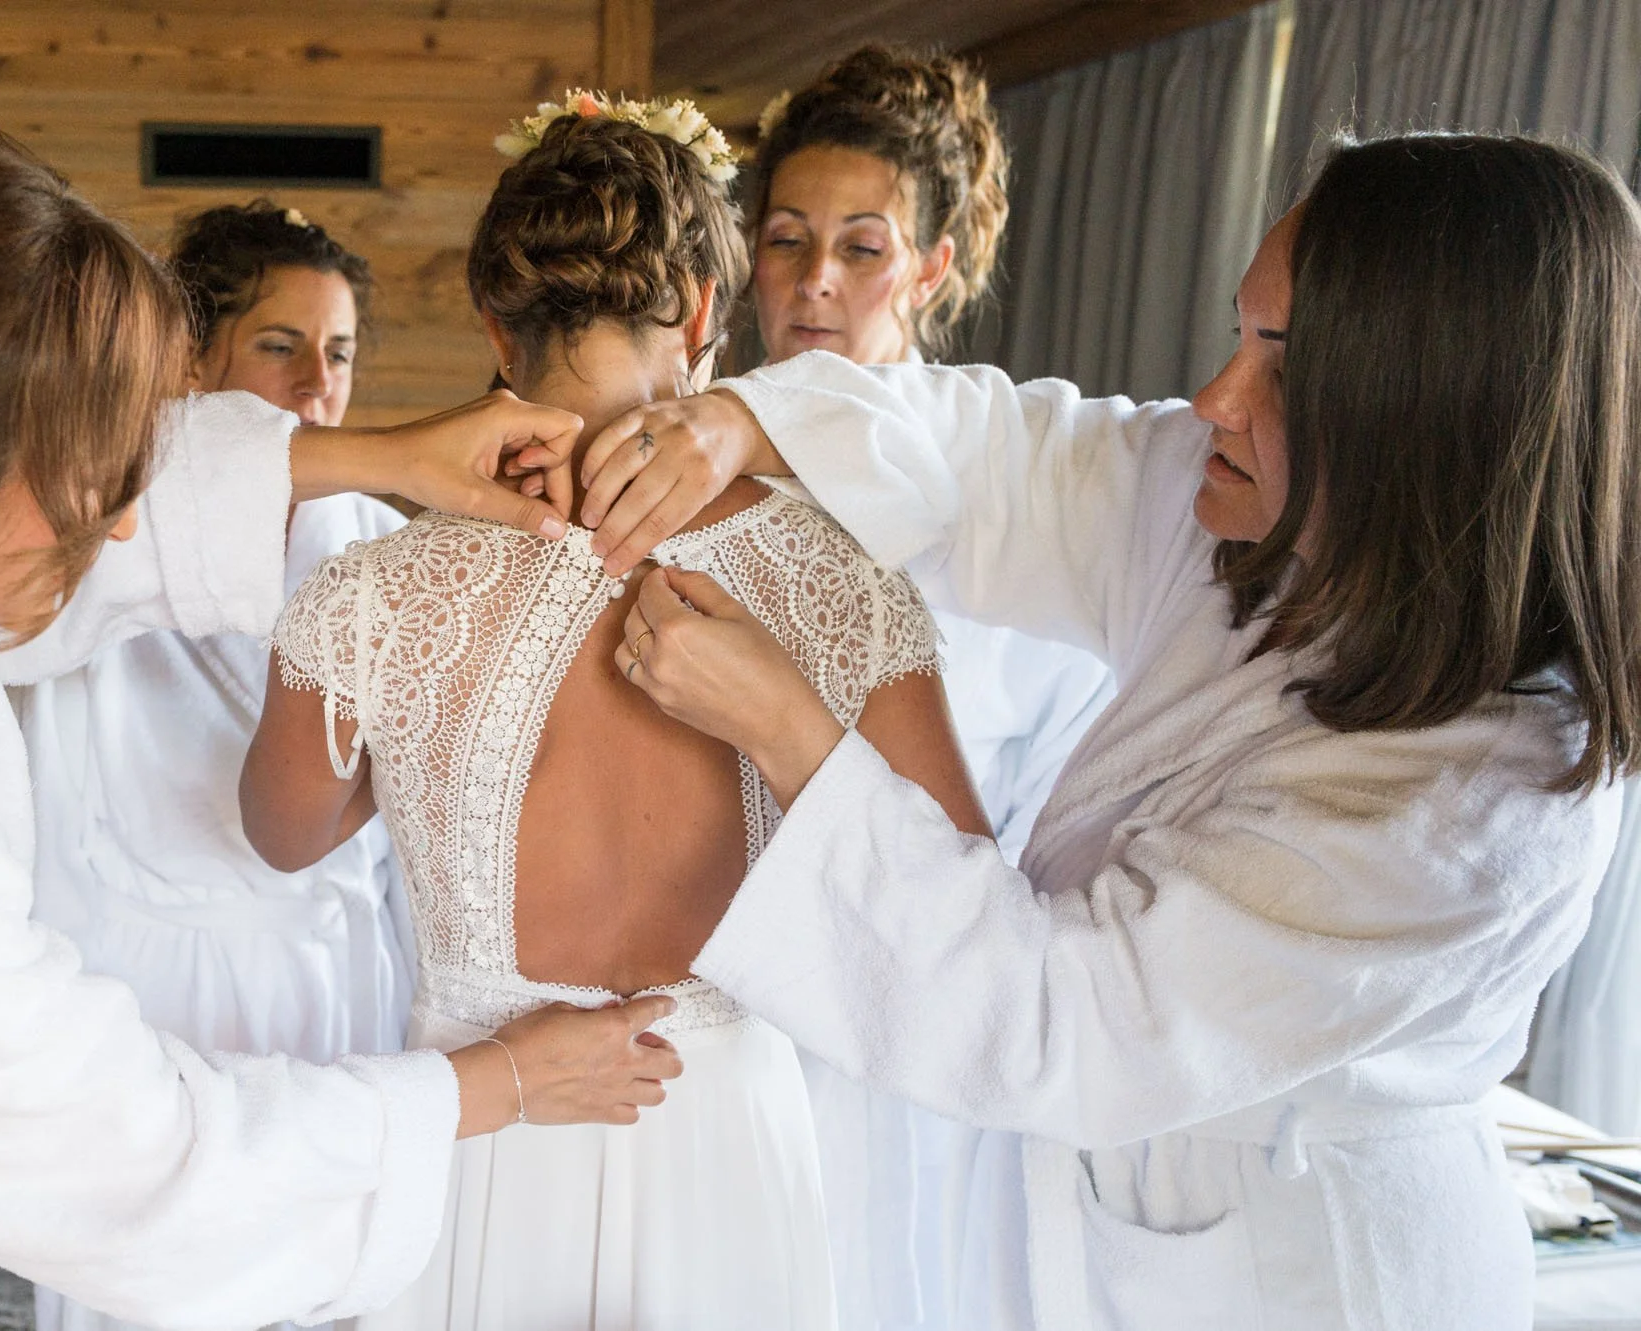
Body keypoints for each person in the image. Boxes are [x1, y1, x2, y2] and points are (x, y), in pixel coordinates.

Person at [0, 111, 681, 1331]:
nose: (125, 522)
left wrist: (384, 458)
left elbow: (70, 482)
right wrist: (489, 1083)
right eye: (90, 476)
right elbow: (133, 1163)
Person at [583, 133, 1639, 1327]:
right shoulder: (1251, 517)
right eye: (1238, 334)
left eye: (1282, 362)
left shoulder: (1475, 806)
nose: (1213, 399)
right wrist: (742, 422)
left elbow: (1063, 1018)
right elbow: (1005, 458)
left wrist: (787, 727)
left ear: (1430, 413)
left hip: (1307, 1276)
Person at [239, 93, 984, 1330]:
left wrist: (425, 722)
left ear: (495, 323)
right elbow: (953, 897)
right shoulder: (839, 574)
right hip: (724, 1138)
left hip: (486, 1131)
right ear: (700, 311)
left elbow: (283, 832)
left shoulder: (375, 592)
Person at [746, 48, 1114, 1331]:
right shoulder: (690, 477)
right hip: (723, 1014)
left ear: (930, 267)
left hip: (925, 1041)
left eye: (860, 246)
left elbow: (1051, 839)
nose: (814, 279)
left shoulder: (1005, 533)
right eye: (785, 239)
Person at [17, 202, 413, 1331]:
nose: (317, 384)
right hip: (155, 994)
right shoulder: (100, 526)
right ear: (191, 359)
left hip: (336, 983)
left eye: (339, 353)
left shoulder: (379, 540)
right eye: (280, 345)